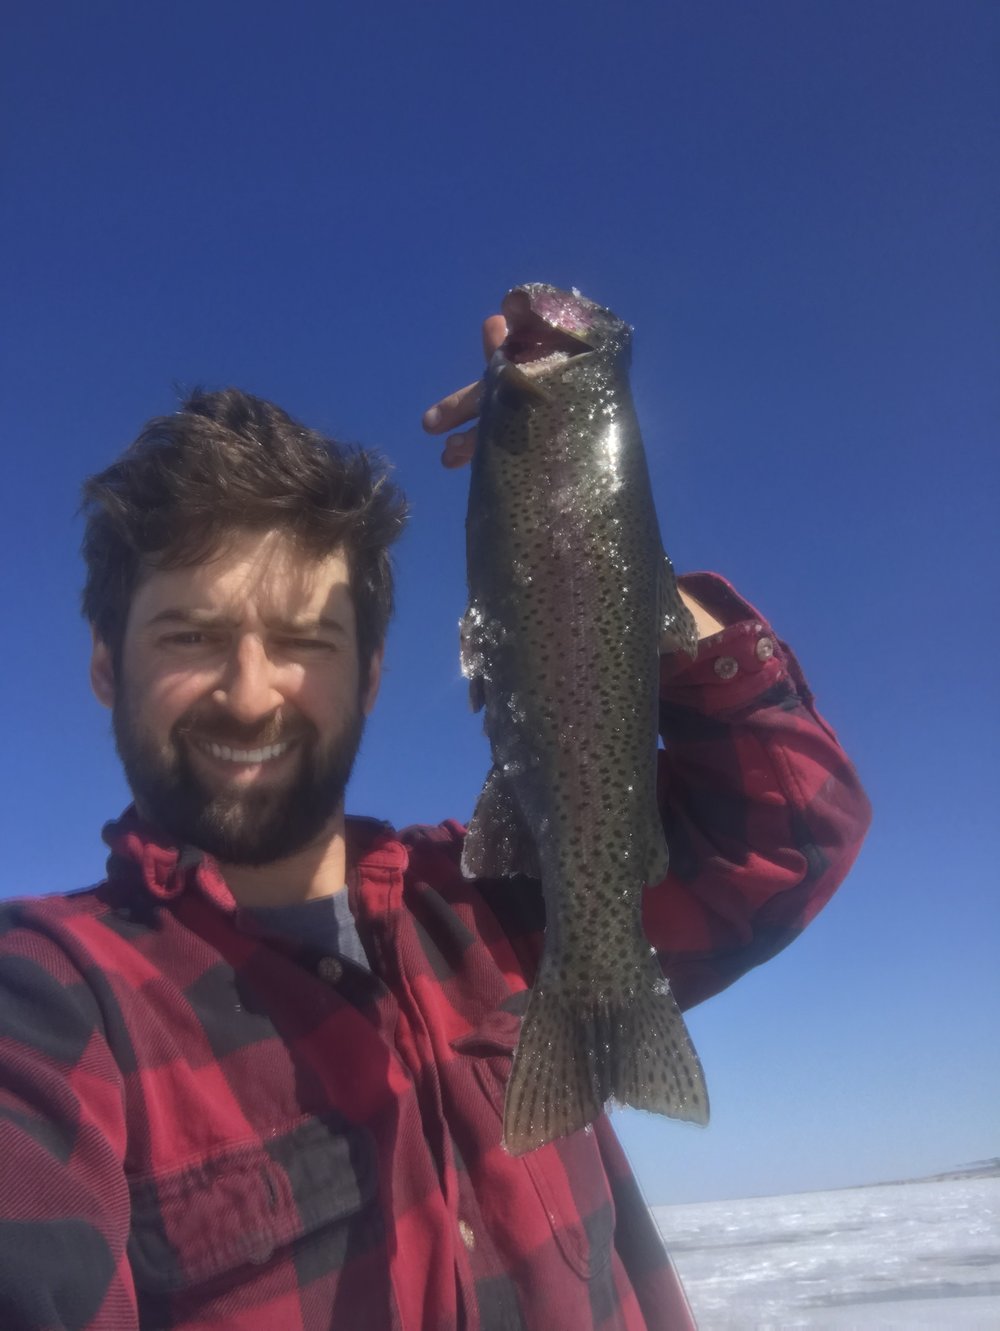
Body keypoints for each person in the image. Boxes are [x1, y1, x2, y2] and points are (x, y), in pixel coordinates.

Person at [0, 314, 871, 1331]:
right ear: (108, 665)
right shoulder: (48, 1008)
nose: (249, 691)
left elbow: (786, 835)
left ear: (369, 675)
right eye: (191, 634)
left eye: (302, 638)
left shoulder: (499, 904)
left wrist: (583, 526)